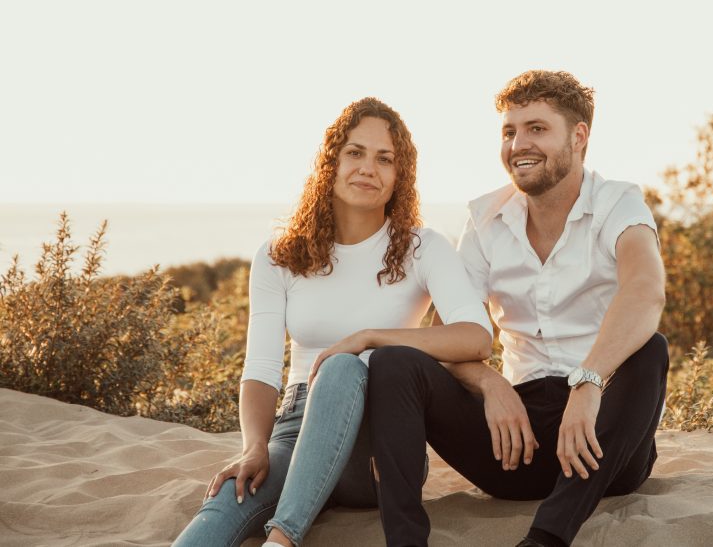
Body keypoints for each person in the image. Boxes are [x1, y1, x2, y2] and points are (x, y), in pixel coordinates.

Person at [173, 98, 492, 547]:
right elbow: (262, 369)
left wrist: (367, 339)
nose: (368, 168)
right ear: (332, 161)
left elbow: (477, 337)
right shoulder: (278, 256)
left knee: (344, 366)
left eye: (385, 159)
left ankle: (282, 539)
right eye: (355, 153)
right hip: (295, 428)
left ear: (400, 176)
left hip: (378, 444)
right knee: (227, 500)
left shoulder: (422, 248)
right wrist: (254, 447)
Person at [367, 70, 668, 547]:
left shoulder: (619, 204)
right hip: (514, 443)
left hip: (602, 443)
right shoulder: (486, 220)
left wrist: (588, 385)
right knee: (395, 362)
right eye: (509, 131)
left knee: (650, 350)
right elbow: (449, 335)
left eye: (536, 129)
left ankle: (546, 539)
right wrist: (490, 383)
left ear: (579, 136)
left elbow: (646, 291)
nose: (517, 144)